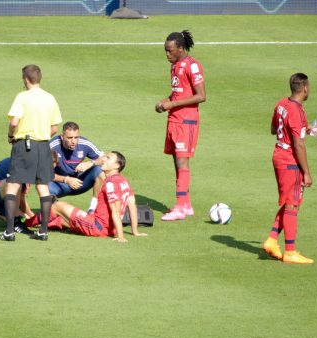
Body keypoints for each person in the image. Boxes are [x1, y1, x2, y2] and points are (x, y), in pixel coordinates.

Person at [0, 64, 62, 242]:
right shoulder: (50, 98)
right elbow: (55, 128)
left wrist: (11, 136)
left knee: (13, 186)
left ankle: (9, 232)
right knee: (43, 187)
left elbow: (14, 122)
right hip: (43, 146)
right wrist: (41, 136)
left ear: (25, 79)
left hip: (24, 145)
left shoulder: (22, 97)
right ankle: (43, 232)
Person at [26, 152, 147, 243]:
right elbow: (132, 206)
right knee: (63, 220)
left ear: (116, 165)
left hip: (97, 226)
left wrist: (121, 237)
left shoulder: (110, 183)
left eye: (108, 158)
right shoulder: (124, 181)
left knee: (58, 206)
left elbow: (115, 210)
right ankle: (46, 223)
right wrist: (135, 232)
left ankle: (28, 223)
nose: (104, 159)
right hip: (109, 228)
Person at [262, 73, 317, 264]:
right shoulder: (296, 110)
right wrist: (307, 172)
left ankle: (271, 240)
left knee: (289, 202)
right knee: (293, 204)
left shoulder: (282, 104)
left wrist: (304, 128)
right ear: (305, 88)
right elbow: (298, 144)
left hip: (278, 154)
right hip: (290, 160)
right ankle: (291, 251)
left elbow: (273, 130)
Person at [155, 30, 207, 221]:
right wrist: (164, 102)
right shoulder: (175, 66)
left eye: (170, 51)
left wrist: (172, 104)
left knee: (182, 161)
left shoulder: (192, 66)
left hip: (186, 120)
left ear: (180, 48)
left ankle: (179, 207)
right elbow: (178, 93)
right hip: (174, 119)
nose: (167, 54)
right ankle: (185, 205)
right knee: (176, 162)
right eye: (165, 51)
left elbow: (201, 96)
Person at [49, 121, 106, 212]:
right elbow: (44, 173)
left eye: (76, 137)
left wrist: (90, 163)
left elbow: (105, 159)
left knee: (99, 170)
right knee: (44, 186)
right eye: (69, 138)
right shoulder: (52, 146)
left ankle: (93, 209)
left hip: (80, 183)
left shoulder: (84, 144)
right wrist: (67, 180)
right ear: (62, 137)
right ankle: (51, 214)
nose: (73, 141)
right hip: (59, 184)